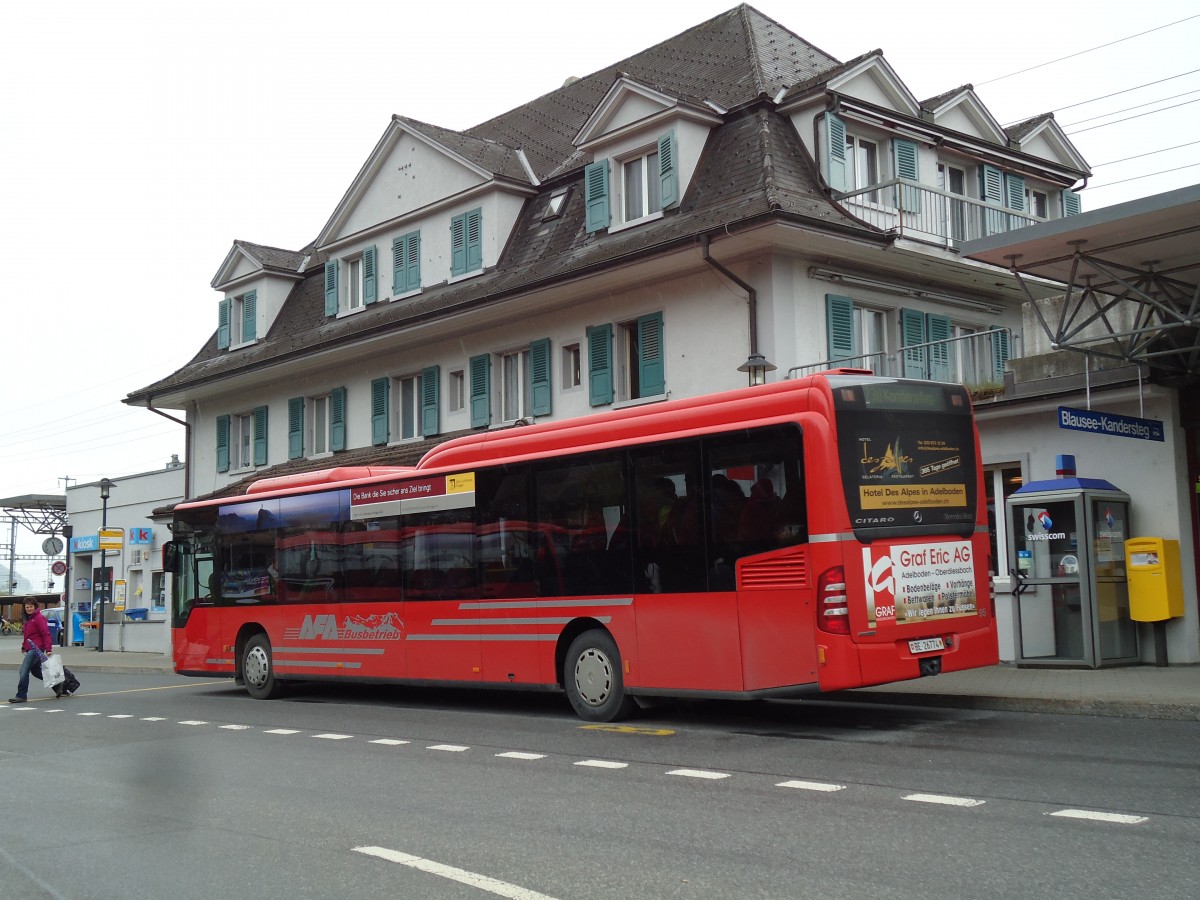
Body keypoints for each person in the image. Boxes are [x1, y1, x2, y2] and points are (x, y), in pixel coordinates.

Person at [9, 601, 56, 703]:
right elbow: (27, 635)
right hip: (30, 647)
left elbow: (46, 634)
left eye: (31, 606)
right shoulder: (27, 619)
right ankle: (58, 684)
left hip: (37, 648)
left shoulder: (39, 618)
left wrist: (48, 649)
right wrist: (23, 646)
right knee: (36, 671)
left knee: (23, 671)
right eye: (27, 607)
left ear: (35, 607)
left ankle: (21, 695)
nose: (29, 609)